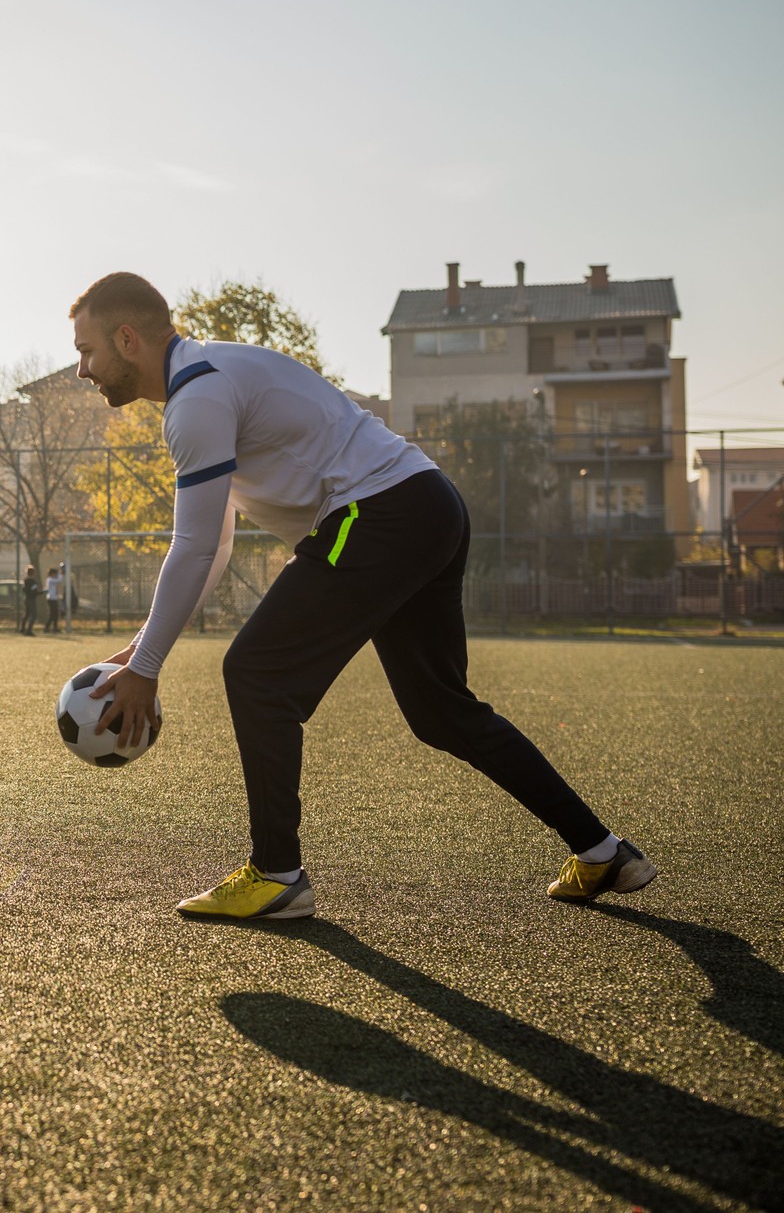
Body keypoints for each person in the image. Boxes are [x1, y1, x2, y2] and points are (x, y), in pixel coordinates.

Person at [69, 271, 654, 920]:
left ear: (127, 339)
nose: (81, 370)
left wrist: (147, 669)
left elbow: (196, 545)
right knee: (441, 712)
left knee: (258, 673)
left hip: (379, 512)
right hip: (427, 503)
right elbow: (219, 545)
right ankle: (602, 851)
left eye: (87, 351)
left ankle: (278, 875)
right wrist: (143, 650)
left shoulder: (196, 399)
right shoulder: (210, 375)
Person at [20, 565, 41, 636]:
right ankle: (29, 630)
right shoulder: (32, 581)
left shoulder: (25, 580)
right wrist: (41, 592)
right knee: (34, 615)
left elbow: (26, 590)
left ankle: (22, 629)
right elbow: (33, 592)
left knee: (27, 614)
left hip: (26, 599)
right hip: (31, 600)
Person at [44, 566, 63, 633]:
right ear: (52, 574)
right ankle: (47, 627)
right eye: (55, 574)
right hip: (51, 598)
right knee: (53, 614)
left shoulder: (50, 579)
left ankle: (54, 628)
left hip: (53, 598)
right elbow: (59, 580)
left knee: (55, 614)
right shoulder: (50, 580)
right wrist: (61, 573)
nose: (56, 575)